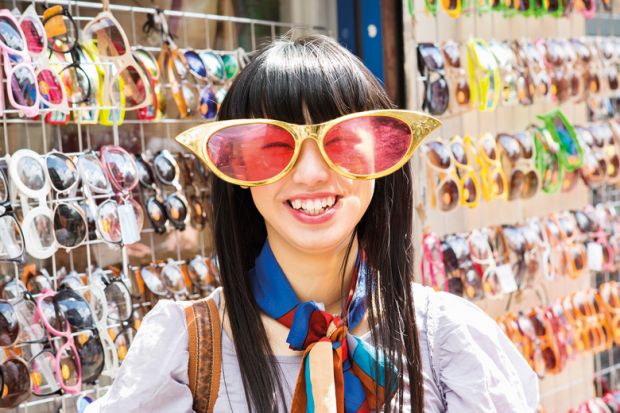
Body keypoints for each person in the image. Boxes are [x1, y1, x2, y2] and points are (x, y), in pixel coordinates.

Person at [85, 34, 539, 413]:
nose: (310, 173)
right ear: (237, 172)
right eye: (272, 146)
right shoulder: (184, 350)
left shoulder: (448, 340)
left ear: (381, 162)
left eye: (343, 142)